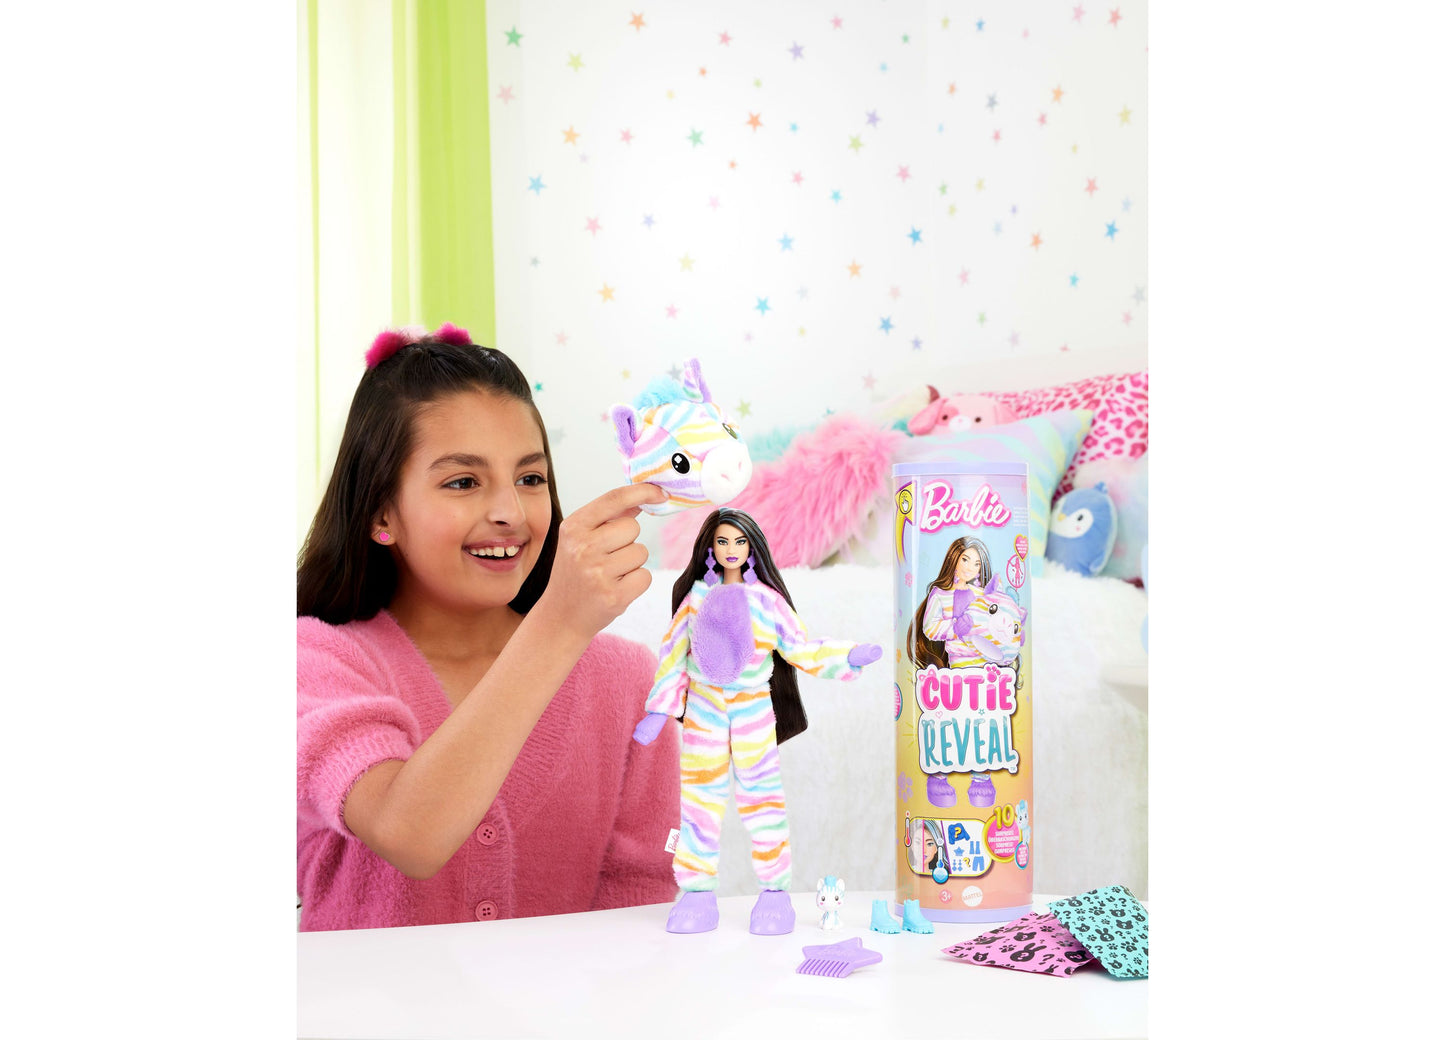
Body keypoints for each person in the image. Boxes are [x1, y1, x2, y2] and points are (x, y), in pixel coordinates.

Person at [296, 323, 679, 931]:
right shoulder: (315, 661)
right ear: (380, 513)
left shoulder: (628, 682)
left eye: (530, 479)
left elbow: (643, 906)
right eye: (463, 482)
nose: (510, 513)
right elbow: (409, 833)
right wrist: (560, 623)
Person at [632, 508, 882, 935]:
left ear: (752, 547)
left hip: (752, 708)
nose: (731, 549)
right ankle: (697, 893)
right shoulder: (695, 599)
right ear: (710, 547)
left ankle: (773, 893)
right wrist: (659, 709)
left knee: (763, 798)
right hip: (705, 709)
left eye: (739, 541)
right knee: (699, 801)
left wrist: (846, 656)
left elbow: (800, 647)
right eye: (722, 541)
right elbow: (674, 654)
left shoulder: (767, 601)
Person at [908, 536, 995, 670]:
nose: (970, 568)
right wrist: (955, 627)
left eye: (976, 564)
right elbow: (930, 627)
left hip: (986, 660)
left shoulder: (981, 594)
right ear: (954, 558)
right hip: (958, 660)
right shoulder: (941, 594)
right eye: (965, 560)